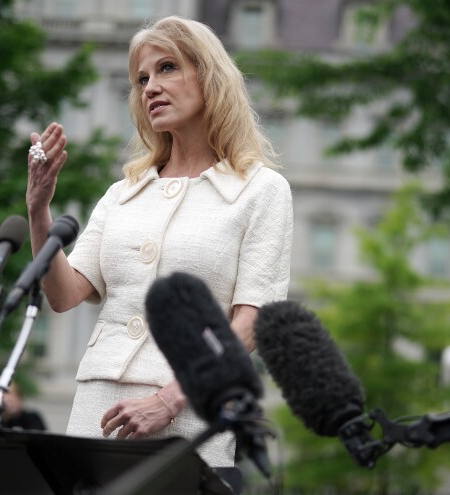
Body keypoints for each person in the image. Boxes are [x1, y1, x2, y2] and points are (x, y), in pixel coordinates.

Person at [25, 15, 292, 493]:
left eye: (167, 68)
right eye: (141, 79)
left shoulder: (261, 191)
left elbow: (251, 321)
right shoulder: (123, 193)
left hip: (189, 416)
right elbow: (64, 295)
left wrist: (169, 401)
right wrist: (39, 210)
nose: (150, 87)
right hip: (97, 411)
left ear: (209, 77)